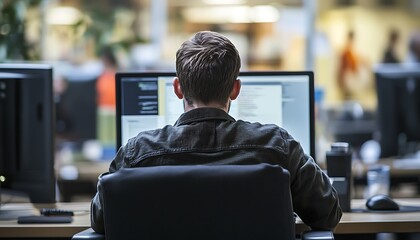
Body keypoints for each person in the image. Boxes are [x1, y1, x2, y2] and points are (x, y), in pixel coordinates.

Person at [90, 31, 342, 233]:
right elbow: (328, 213)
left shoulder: (138, 153)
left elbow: (100, 220)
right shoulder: (277, 146)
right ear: (235, 89)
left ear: (177, 88)